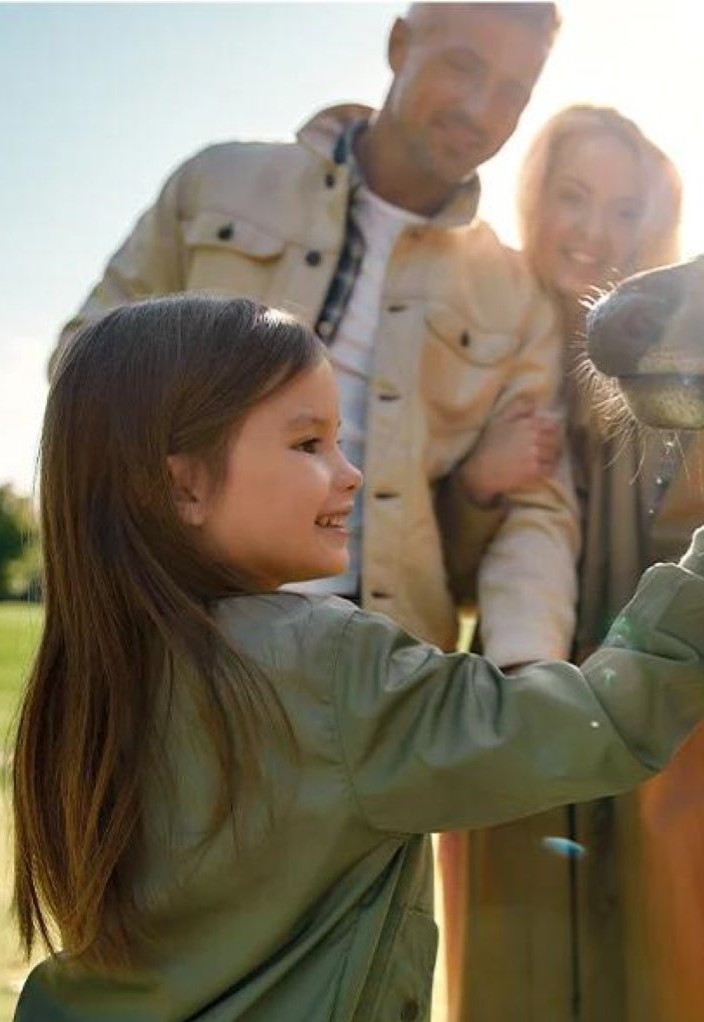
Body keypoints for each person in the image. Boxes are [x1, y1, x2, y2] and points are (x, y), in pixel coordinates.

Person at [7, 294, 704, 1022]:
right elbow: (595, 724)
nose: (350, 473)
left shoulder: (90, 681)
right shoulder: (322, 668)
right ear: (183, 484)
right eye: (308, 445)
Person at [50, 3, 574, 671]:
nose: (480, 108)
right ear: (399, 44)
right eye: (462, 66)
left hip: (379, 674)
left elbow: (534, 517)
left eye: (512, 91)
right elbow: (83, 361)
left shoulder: (519, 297)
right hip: (166, 639)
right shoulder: (215, 185)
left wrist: (526, 673)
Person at [433, 105, 704, 1022]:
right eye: (572, 198)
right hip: (517, 693)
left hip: (675, 706)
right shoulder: (477, 339)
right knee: (520, 999)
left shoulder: (695, 360)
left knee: (684, 998)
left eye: (623, 209)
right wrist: (478, 482)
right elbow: (439, 569)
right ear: (533, 199)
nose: (594, 232)